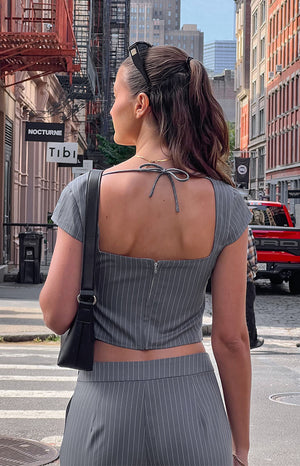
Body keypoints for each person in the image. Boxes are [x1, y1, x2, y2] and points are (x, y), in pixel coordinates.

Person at [40, 43, 252, 466]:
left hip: (105, 408)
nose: (111, 106)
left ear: (140, 103)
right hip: (193, 408)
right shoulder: (229, 204)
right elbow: (232, 338)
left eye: (117, 95)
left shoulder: (87, 193)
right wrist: (241, 448)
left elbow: (57, 315)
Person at [247, 227, 264, 350]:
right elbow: (251, 255)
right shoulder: (245, 228)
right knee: (248, 310)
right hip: (244, 277)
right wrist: (253, 270)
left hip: (224, 278)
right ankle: (251, 340)